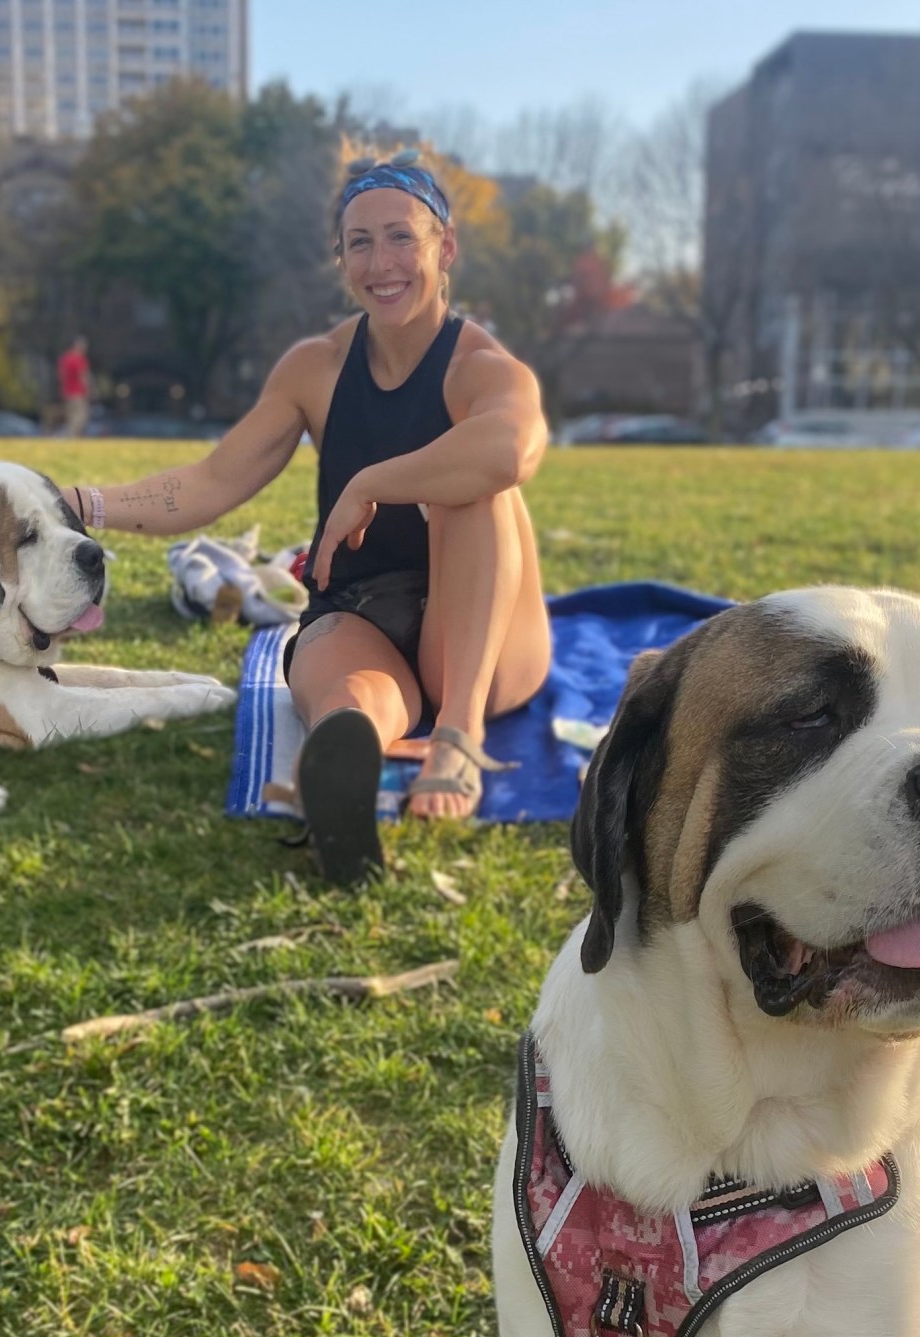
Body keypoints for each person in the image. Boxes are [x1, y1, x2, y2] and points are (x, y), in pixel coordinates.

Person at [58, 151, 551, 884]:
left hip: (476, 630)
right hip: (362, 608)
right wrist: (83, 504)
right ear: (341, 260)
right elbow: (211, 481)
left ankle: (457, 738)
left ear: (444, 249)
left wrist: (374, 482)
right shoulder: (315, 367)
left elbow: (510, 448)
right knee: (349, 703)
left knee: (474, 485)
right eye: (359, 242)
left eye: (400, 238)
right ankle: (342, 768)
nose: (380, 262)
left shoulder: (482, 367)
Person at [57, 335, 92, 438]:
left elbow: (61, 376)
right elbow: (83, 376)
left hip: (67, 392)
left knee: (71, 417)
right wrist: (88, 390)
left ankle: (72, 437)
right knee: (81, 417)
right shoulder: (79, 359)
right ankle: (72, 437)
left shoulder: (65, 358)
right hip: (78, 392)